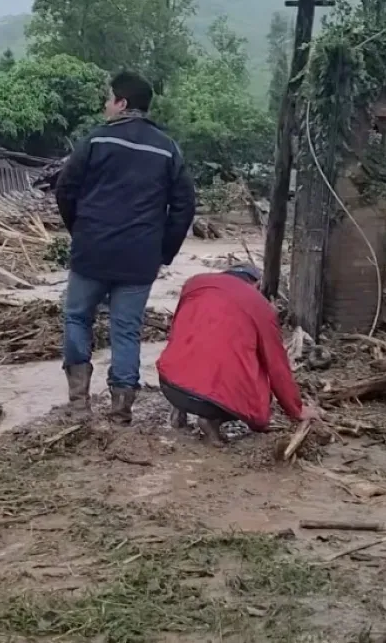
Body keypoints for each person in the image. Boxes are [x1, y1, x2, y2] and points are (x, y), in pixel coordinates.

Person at [54, 70, 196, 423]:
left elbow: (65, 190)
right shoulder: (167, 149)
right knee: (126, 329)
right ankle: (121, 409)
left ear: (122, 103)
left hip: (92, 251)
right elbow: (184, 205)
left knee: (76, 318)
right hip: (140, 257)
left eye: (109, 98)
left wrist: (81, 230)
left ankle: (78, 404)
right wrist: (164, 250)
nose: (106, 105)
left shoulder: (96, 141)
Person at [156, 264, 321, 446]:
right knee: (258, 390)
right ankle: (212, 421)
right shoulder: (260, 305)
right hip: (214, 402)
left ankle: (179, 410)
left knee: (190, 350)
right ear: (256, 284)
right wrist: (295, 410)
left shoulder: (194, 283)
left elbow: (176, 330)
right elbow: (276, 365)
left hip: (168, 385)